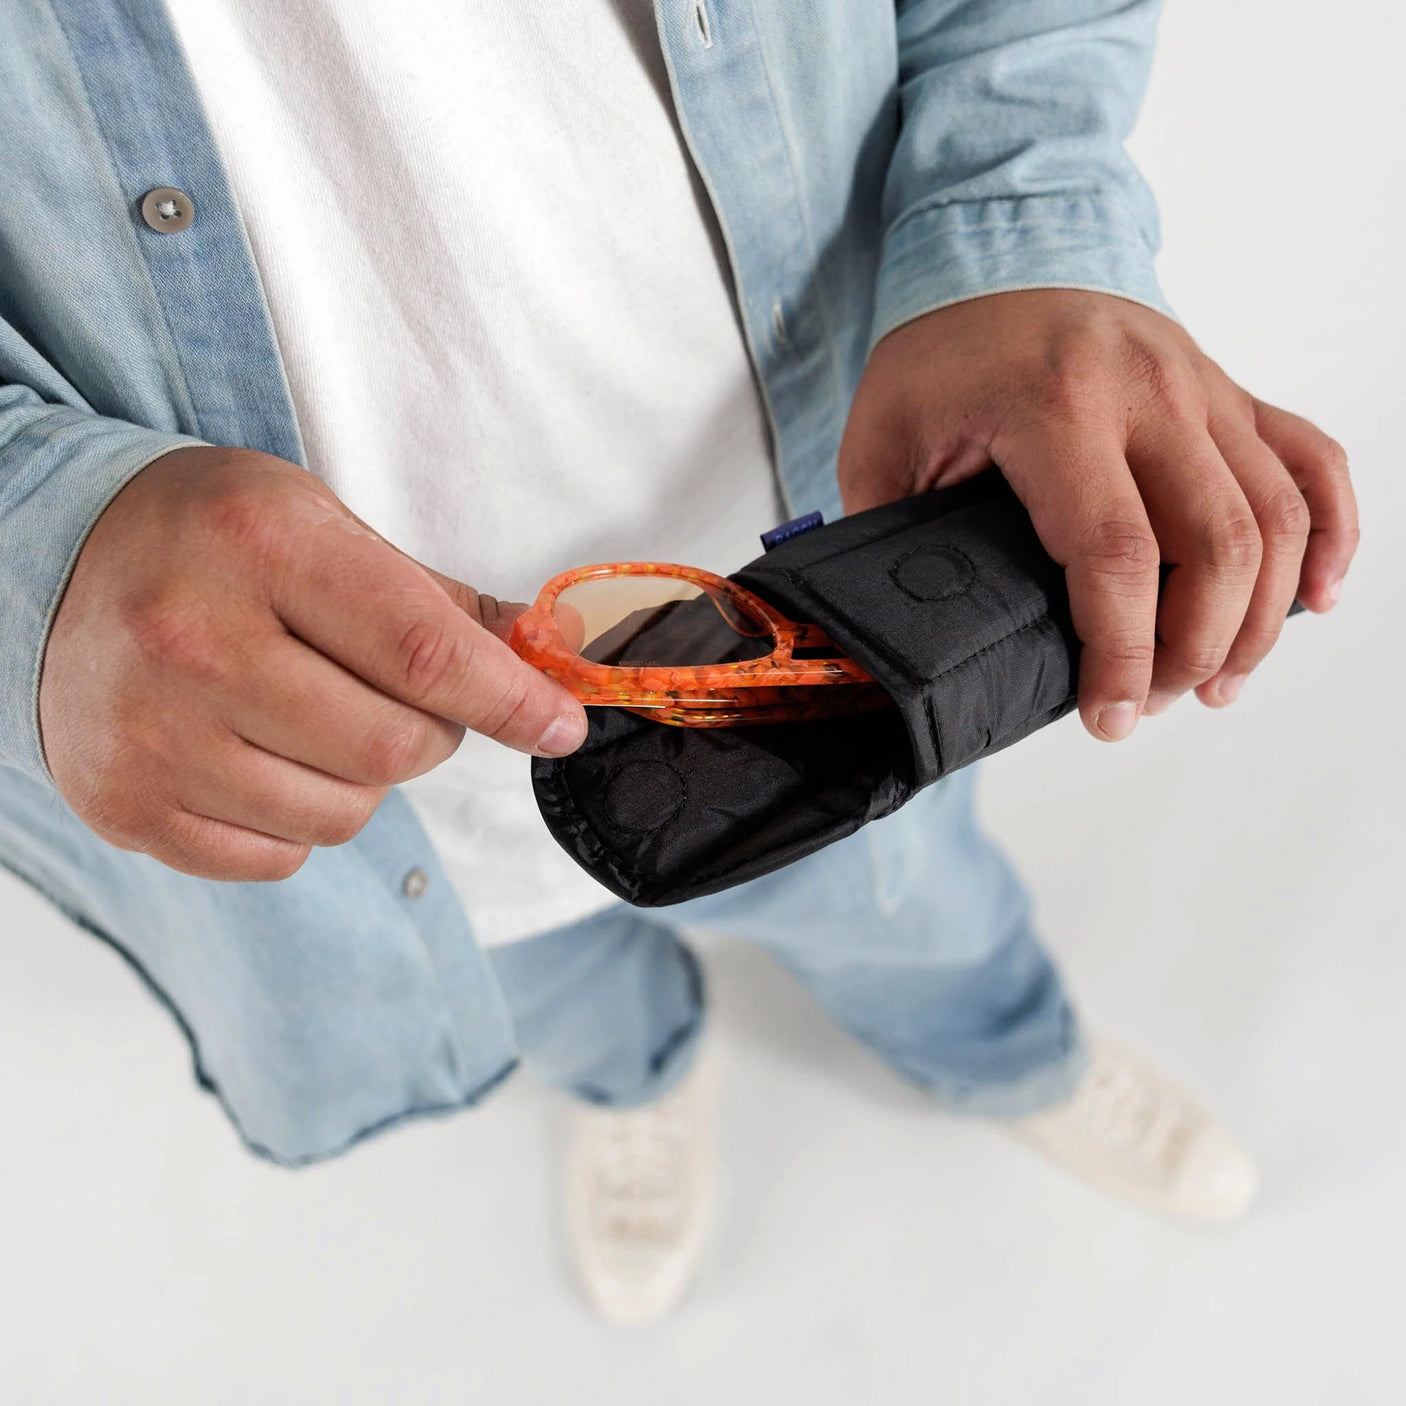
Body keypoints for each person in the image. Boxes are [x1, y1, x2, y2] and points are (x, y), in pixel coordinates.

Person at [0, 0, 1356, 1326]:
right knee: (560, 994)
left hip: (819, 627)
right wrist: (38, 545)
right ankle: (638, 1085)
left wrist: (1017, 222)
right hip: (337, 780)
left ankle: (1011, 1057)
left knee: (918, 916)